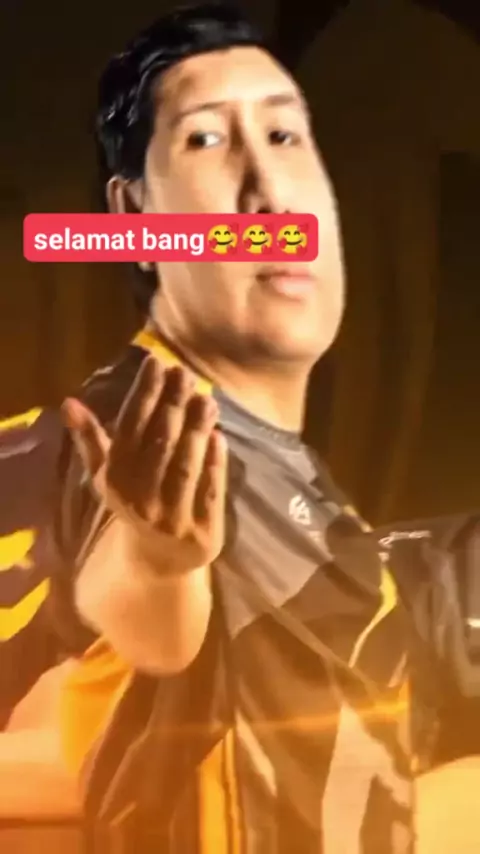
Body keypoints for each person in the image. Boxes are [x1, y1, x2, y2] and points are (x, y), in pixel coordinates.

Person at [45, 3, 480, 852]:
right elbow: (138, 611)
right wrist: (159, 564)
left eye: (285, 138)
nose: (267, 190)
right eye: (208, 141)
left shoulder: (306, 496)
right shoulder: (139, 420)